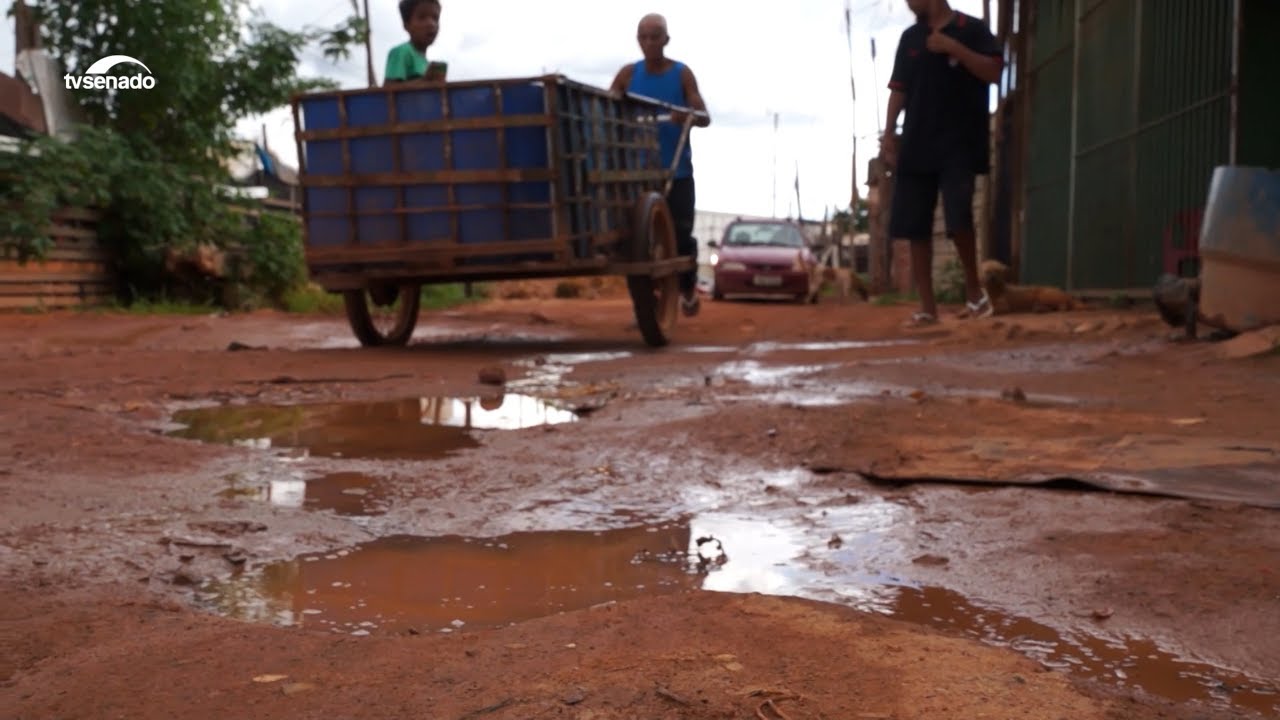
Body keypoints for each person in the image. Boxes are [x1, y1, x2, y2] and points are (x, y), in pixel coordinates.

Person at [880, 0, 1003, 326]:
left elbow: (993, 72)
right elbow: (898, 89)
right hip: (918, 142)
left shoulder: (972, 30)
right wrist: (889, 134)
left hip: (959, 142)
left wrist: (954, 49)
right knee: (915, 226)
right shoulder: (910, 38)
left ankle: (975, 294)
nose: (907, 2)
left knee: (958, 216)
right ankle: (927, 307)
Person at [610, 13, 712, 317]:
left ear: (666, 40)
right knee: (634, 240)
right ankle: (644, 304)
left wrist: (687, 115)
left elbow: (704, 116)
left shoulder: (681, 74)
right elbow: (607, 104)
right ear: (638, 40)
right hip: (637, 174)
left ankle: (687, 288)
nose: (649, 42)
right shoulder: (628, 75)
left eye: (655, 36)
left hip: (676, 171)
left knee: (681, 236)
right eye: (644, 37)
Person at [384, 0, 445, 84]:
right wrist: (425, 81)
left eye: (435, 18)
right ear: (406, 25)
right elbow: (389, 89)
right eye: (422, 17)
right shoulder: (401, 52)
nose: (431, 24)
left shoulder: (425, 63)